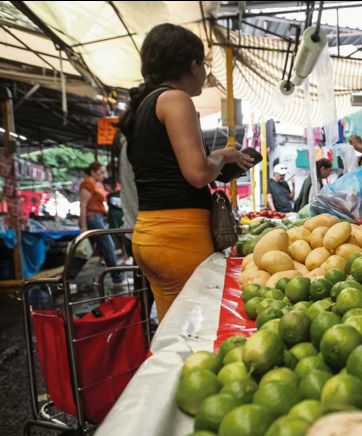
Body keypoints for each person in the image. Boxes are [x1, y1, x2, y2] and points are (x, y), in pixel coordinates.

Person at [118, 23, 254, 322]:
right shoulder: (175, 99)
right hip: (178, 238)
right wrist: (222, 155)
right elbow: (197, 173)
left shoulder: (145, 105)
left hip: (150, 234)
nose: (204, 72)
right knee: (194, 330)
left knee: (175, 328)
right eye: (203, 65)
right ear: (192, 65)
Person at [69, 162, 127, 289]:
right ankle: (118, 278)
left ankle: (67, 279)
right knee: (108, 246)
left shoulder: (95, 184)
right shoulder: (87, 183)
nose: (103, 175)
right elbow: (83, 205)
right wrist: (83, 226)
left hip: (98, 218)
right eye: (100, 172)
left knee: (85, 252)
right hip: (93, 219)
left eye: (103, 172)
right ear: (92, 172)